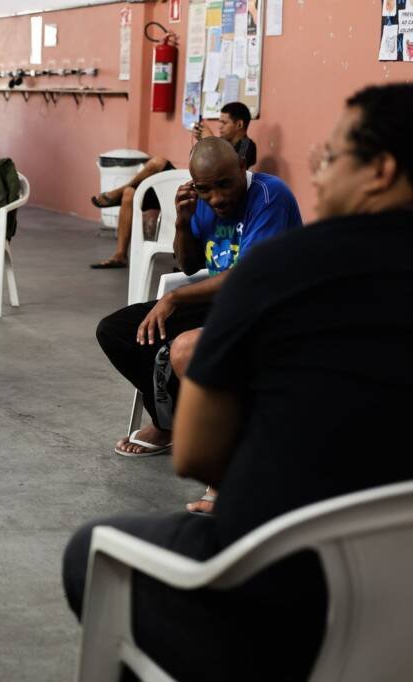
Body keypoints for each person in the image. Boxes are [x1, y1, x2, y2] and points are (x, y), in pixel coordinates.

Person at [64, 81, 413, 681]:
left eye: (329, 158)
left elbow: (197, 452)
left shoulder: (277, 271)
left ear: (379, 170)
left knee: (91, 552)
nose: (318, 175)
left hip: (273, 593)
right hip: (400, 605)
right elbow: (188, 261)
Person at [95, 137, 300, 464]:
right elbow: (190, 265)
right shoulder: (200, 201)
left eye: (225, 184)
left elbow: (249, 276)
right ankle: (169, 424)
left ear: (242, 168)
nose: (217, 198)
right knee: (118, 331)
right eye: (206, 189)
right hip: (221, 301)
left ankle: (202, 436)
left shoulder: (269, 195)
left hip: (264, 307)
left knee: (181, 344)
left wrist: (176, 298)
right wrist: (183, 221)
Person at [91, 101, 258, 269]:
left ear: (239, 124)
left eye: (224, 122)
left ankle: (114, 194)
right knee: (129, 193)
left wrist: (209, 139)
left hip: (200, 195)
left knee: (159, 162)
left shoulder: (246, 145)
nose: (220, 127)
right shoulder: (218, 143)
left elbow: (229, 168)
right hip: (188, 187)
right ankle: (120, 254)